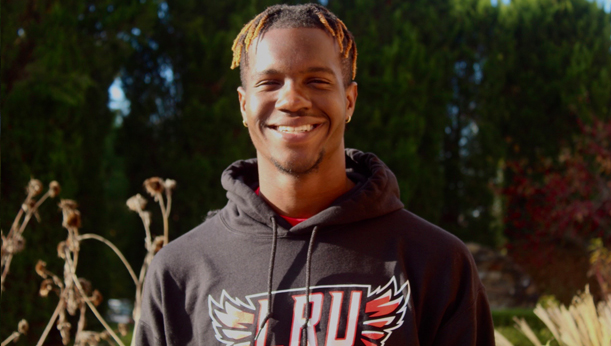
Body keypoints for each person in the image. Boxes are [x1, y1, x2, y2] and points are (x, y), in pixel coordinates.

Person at [135, 3, 495, 346]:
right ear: (244, 105)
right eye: (270, 82)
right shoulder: (180, 271)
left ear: (350, 100)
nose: (292, 100)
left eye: (317, 81)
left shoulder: (436, 261)